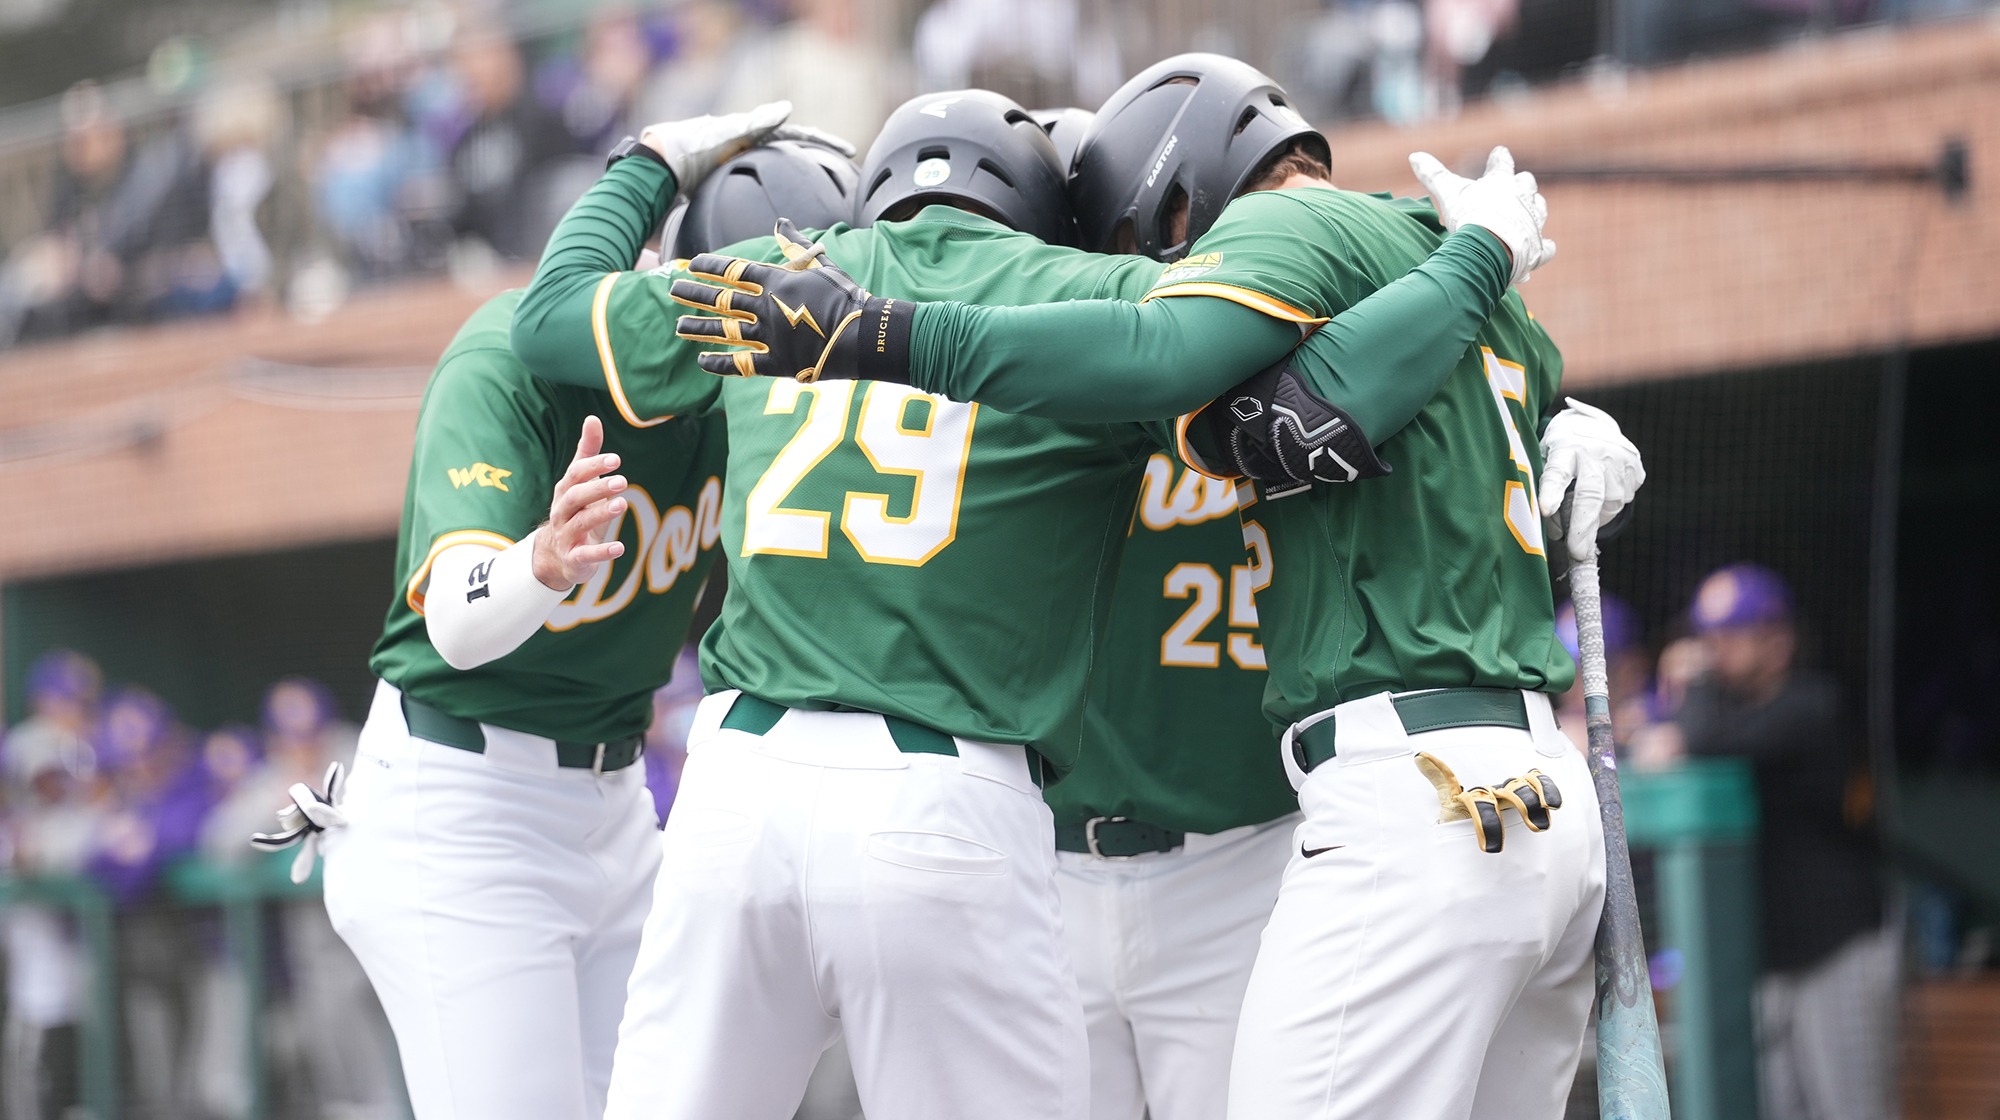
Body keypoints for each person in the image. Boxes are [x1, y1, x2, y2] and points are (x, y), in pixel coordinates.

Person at [514, 77, 1559, 1120]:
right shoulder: (1082, 287)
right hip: (948, 799)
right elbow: (1296, 411)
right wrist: (1513, 359)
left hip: (733, 789)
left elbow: (551, 320)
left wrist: (648, 161)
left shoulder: (774, 276)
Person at [249, 106, 842, 1120]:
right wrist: (541, 563)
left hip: (615, 809)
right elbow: (459, 623)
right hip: (464, 804)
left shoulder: (761, 394)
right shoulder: (513, 359)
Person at [1656, 564, 1896, 1120]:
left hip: (1836, 952)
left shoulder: (1812, 705)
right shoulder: (1727, 709)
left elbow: (1698, 741)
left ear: (1778, 639)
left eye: (1733, 635)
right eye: (1709, 636)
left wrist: (1690, 685)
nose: (1716, 650)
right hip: (1768, 959)